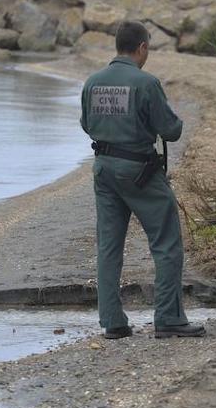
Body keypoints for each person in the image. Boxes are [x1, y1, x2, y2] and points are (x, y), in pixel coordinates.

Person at [80, 20, 205, 340]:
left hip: (103, 168)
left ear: (116, 46)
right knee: (166, 243)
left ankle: (112, 321)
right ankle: (169, 318)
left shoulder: (93, 82)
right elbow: (172, 131)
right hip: (139, 171)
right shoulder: (146, 83)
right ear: (142, 47)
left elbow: (85, 123)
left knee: (108, 247)